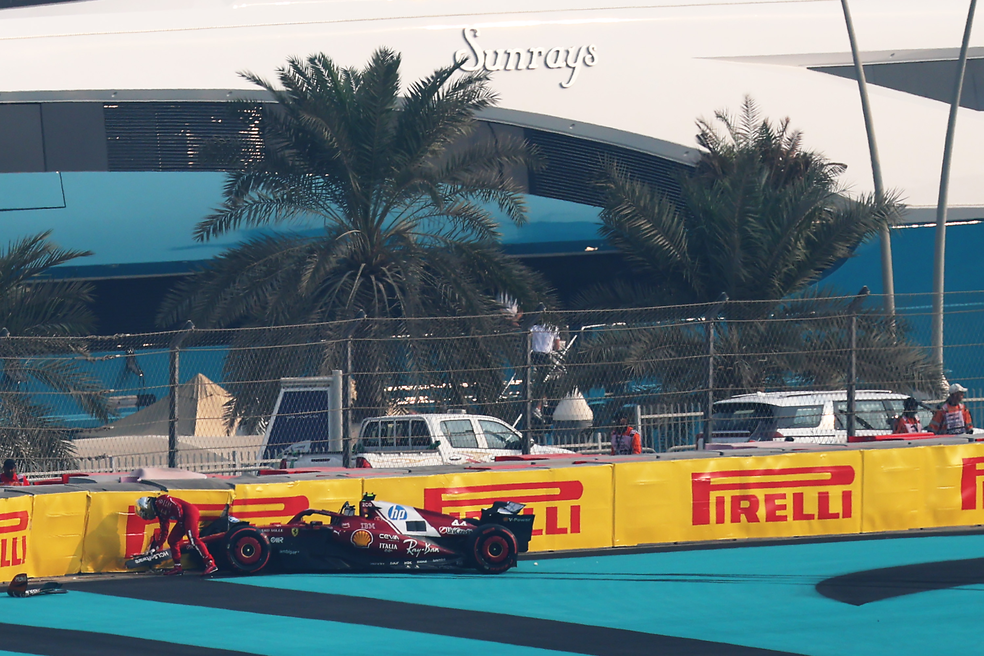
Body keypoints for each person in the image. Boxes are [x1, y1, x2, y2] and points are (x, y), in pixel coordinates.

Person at [136, 495, 217, 576]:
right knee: (172, 540)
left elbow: (177, 507)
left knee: (193, 539)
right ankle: (177, 566)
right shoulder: (160, 513)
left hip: (189, 513)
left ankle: (210, 563)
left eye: (144, 511)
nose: (145, 514)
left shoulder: (160, 501)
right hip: (183, 517)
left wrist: (181, 522)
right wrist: (155, 548)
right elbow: (164, 532)